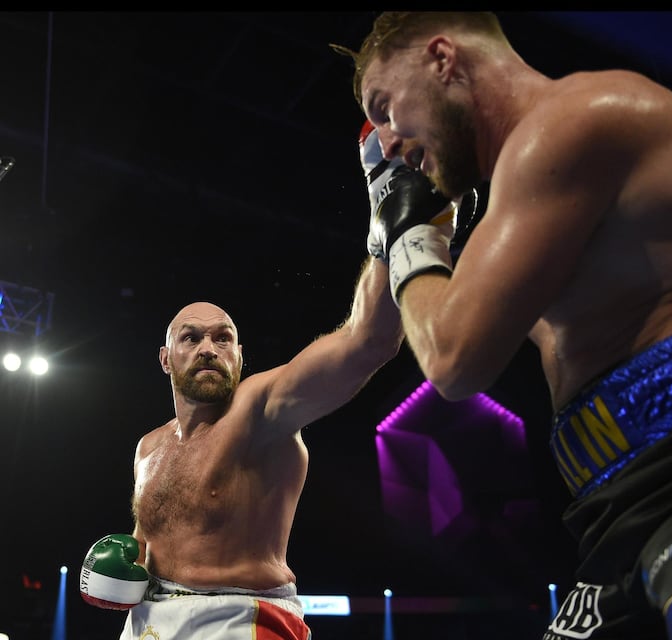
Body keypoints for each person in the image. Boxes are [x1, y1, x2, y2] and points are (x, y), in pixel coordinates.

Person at [334, 11, 672, 640]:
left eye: (386, 107)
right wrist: (388, 226)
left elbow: (451, 359)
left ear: (443, 59)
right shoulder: (520, 210)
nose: (387, 141)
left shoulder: (580, 117)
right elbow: (377, 333)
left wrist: (410, 233)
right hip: (619, 501)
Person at [77, 142, 422, 638]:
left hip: (239, 619)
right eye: (190, 338)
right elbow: (147, 542)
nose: (208, 348)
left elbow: (366, 343)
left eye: (223, 338)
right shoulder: (148, 448)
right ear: (164, 358)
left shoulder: (262, 411)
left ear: (241, 357)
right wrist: (122, 570)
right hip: (148, 622)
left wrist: (392, 235)